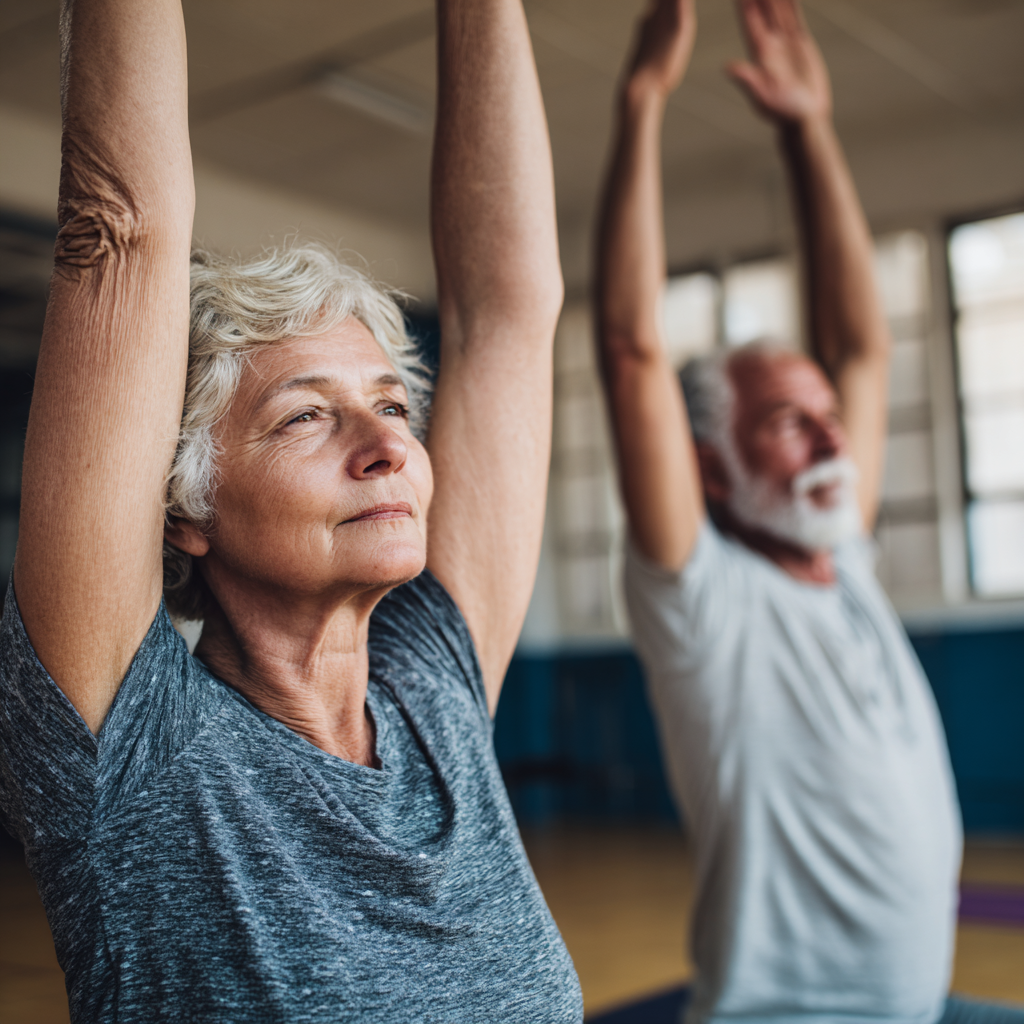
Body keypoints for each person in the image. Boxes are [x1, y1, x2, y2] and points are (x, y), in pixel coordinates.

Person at [0, 0, 583, 1020]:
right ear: (187, 503)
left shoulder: (433, 697)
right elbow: (119, 235)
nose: (388, 445)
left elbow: (507, 312)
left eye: (393, 405)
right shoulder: (136, 756)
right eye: (307, 416)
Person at [595, 1, 1024, 1023]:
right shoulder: (702, 599)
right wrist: (641, 102)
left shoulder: (846, 555)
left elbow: (865, 349)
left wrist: (806, 130)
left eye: (829, 419)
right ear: (710, 467)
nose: (833, 443)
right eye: (790, 422)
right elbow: (629, 349)